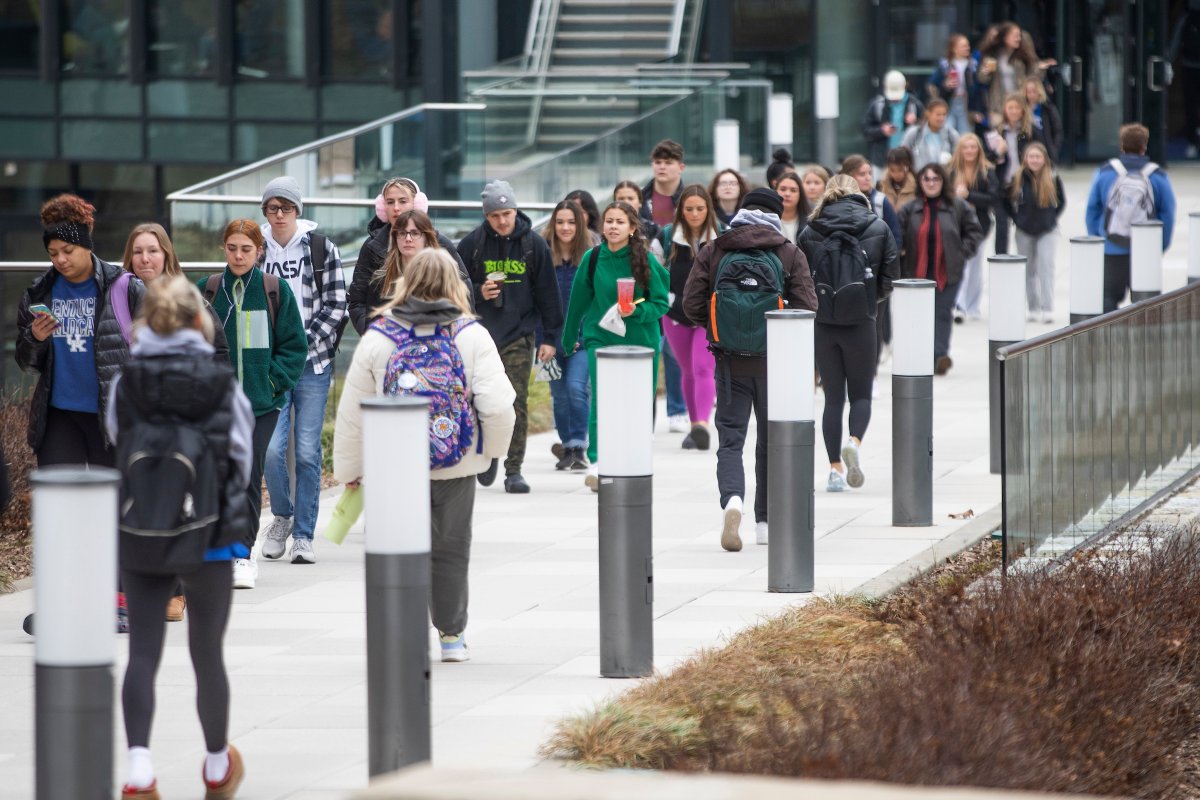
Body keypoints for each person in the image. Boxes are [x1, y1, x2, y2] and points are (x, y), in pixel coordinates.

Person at [109, 275, 252, 800]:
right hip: (208, 528)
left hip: (141, 526)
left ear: (147, 322)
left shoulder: (128, 381)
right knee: (206, 652)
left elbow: (114, 439)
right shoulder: (219, 380)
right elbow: (240, 451)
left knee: (143, 650)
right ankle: (217, 765)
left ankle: (140, 773)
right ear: (199, 320)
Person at [335, 249, 515, 663]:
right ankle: (451, 636)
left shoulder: (380, 336)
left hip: (394, 466)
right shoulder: (471, 335)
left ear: (405, 280)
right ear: (454, 283)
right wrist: (492, 454)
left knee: (399, 546)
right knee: (451, 550)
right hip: (456, 462)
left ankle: (400, 631)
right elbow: (499, 405)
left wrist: (351, 469)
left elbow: (353, 412)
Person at [16, 193, 146, 635]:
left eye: (67, 251)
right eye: (52, 253)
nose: (60, 260)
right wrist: (34, 337)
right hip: (60, 416)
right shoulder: (39, 291)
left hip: (111, 417)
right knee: (59, 512)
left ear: (86, 244)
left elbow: (153, 350)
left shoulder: (124, 287)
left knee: (117, 509)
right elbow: (26, 361)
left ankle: (122, 603)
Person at [681, 188, 818, 551]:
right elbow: (807, 306)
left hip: (728, 364)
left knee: (730, 441)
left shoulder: (715, 249)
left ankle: (733, 501)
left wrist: (717, 329)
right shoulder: (788, 252)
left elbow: (691, 304)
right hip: (775, 364)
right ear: (778, 213)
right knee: (770, 443)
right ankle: (764, 522)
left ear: (742, 211)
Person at [121, 221, 230, 623]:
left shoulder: (189, 298)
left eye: (152, 250)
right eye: (138, 251)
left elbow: (219, 351)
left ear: (167, 254)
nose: (145, 258)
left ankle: (178, 590)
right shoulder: (120, 296)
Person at [200, 219, 307, 590]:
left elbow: (295, 347)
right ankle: (217, 548)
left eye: (247, 248)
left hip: (262, 406)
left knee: (247, 475)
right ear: (223, 249)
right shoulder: (208, 292)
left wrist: (272, 383)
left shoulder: (275, 291)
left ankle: (242, 554)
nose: (239, 255)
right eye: (232, 248)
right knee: (216, 474)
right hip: (217, 404)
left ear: (259, 250)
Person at [255, 176, 347, 567]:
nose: (279, 215)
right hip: (270, 366)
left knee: (307, 451)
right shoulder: (256, 248)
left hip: (311, 363)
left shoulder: (320, 248)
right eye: (272, 208)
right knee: (272, 449)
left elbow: (337, 303)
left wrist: (300, 346)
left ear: (298, 211)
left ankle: (304, 535)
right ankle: (282, 516)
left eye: (286, 208)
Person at [457, 179, 563, 494]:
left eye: (507, 213)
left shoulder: (534, 244)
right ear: (486, 216)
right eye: (495, 215)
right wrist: (478, 291)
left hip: (520, 334)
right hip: (479, 335)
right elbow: (453, 288)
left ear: (516, 210)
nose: (503, 221)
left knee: (515, 402)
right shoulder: (472, 244)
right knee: (476, 401)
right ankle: (487, 453)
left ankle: (513, 469)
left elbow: (548, 294)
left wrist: (550, 338)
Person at [798, 175, 899, 493]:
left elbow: (800, 279)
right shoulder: (878, 226)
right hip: (862, 321)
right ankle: (854, 442)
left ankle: (834, 470)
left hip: (824, 323)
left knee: (832, 400)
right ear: (859, 194)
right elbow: (891, 275)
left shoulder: (810, 229)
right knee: (861, 395)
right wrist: (870, 299)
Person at [560, 201, 670, 491]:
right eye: (609, 221)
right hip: (601, 336)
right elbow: (578, 301)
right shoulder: (592, 258)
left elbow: (660, 302)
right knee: (604, 398)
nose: (612, 226)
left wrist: (637, 310)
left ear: (632, 228)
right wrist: (569, 337)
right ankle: (598, 461)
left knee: (636, 403)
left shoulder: (645, 260)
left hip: (641, 341)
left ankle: (634, 457)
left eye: (620, 222)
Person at [348, 176, 471, 336]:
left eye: (402, 201)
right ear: (382, 207)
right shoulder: (372, 247)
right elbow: (357, 301)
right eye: (390, 202)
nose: (396, 208)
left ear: (418, 204)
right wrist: (373, 334)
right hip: (385, 341)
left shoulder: (441, 245)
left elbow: (464, 295)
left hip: (434, 345)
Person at [897, 164, 984, 376]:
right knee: (918, 317)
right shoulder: (910, 209)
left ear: (943, 181)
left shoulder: (958, 207)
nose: (931, 183)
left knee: (943, 314)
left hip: (948, 272)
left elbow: (974, 232)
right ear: (920, 182)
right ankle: (920, 356)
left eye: (935, 179)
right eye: (926, 179)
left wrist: (962, 252)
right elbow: (896, 237)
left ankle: (939, 356)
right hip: (916, 274)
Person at [613, 179, 685, 428]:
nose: (625, 202)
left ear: (639, 202)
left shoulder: (655, 232)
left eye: (630, 198)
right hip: (616, 319)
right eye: (620, 197)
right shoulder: (606, 240)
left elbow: (660, 279)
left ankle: (666, 415)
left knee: (657, 360)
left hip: (651, 310)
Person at [1084, 123, 1176, 312]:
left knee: (1108, 300)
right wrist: (1160, 244)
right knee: (1147, 305)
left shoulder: (1105, 173)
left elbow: (1092, 210)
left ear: (1121, 146)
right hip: (1146, 249)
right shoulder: (1158, 176)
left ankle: (1108, 341)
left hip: (1112, 247)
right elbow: (1168, 214)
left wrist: (1100, 237)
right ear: (1144, 146)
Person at [659, 185, 722, 451]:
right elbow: (652, 271)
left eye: (700, 208)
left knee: (703, 367)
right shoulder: (666, 237)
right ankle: (695, 424)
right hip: (675, 315)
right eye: (689, 209)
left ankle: (703, 424)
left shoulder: (721, 238)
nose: (695, 214)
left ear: (708, 209)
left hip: (708, 317)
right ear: (680, 211)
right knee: (687, 371)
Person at [541, 200, 595, 470]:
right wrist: (544, 340)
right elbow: (536, 302)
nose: (565, 227)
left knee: (576, 388)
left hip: (582, 340)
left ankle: (579, 446)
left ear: (580, 224)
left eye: (571, 222)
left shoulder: (589, 257)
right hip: (549, 343)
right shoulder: (542, 255)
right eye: (560, 222)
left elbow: (595, 300)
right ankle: (567, 446)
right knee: (559, 395)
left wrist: (579, 333)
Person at [354, 210, 456, 331]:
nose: (408, 238)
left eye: (415, 233)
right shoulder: (380, 279)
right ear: (395, 238)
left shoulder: (443, 276)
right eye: (402, 233)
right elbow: (371, 321)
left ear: (426, 237)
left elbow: (455, 319)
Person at [1007, 141, 1065, 324]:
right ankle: (1033, 307)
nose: (1034, 160)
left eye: (1038, 157)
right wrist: (1016, 218)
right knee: (1028, 270)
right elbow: (1005, 199)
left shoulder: (1053, 177)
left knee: (1046, 267)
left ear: (1044, 159)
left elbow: (1061, 202)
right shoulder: (1017, 178)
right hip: (1024, 230)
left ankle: (1047, 308)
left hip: (1047, 229)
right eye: (1031, 157)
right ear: (1025, 159)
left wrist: (1052, 218)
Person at [947, 133, 1000, 322]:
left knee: (975, 265)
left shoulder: (987, 171)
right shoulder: (950, 171)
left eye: (973, 147)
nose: (969, 151)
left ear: (978, 150)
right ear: (959, 150)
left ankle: (972, 305)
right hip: (955, 225)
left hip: (980, 225)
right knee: (961, 265)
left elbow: (993, 199)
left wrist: (969, 196)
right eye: (965, 147)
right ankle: (959, 303)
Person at [988, 93, 1047, 255]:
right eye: (1010, 108)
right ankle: (1000, 261)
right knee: (1002, 225)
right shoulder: (998, 132)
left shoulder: (1032, 131)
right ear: (1005, 110)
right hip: (1002, 184)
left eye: (1017, 108)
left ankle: (1027, 262)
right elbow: (986, 161)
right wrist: (997, 152)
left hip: (1024, 184)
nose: (1014, 112)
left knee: (1024, 225)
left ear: (1023, 110)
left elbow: (1042, 155)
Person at [977, 22, 1050, 127]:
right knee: (1001, 137)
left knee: (1022, 137)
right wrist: (985, 73)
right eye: (1015, 35)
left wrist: (1041, 69)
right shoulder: (993, 56)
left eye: (1019, 35)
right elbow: (982, 79)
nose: (1018, 38)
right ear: (1005, 37)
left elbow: (1033, 79)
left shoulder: (1022, 58)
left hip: (1019, 105)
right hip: (998, 106)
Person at [862, 70, 925, 170]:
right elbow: (865, 129)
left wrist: (916, 121)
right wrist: (881, 131)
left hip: (909, 161)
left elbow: (927, 129)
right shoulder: (878, 104)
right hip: (882, 161)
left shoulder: (915, 105)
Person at [927, 33, 985, 136]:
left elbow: (979, 87)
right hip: (950, 103)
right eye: (963, 46)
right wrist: (945, 85)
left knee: (965, 134)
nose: (967, 48)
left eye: (968, 45)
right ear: (954, 49)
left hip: (966, 104)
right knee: (947, 132)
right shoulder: (945, 65)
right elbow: (933, 85)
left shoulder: (973, 65)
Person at [901, 98, 960, 171]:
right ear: (928, 114)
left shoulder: (952, 135)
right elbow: (903, 155)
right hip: (918, 177)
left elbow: (958, 159)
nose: (941, 118)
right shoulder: (914, 133)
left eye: (944, 115)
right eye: (938, 115)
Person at [640, 139, 686, 228]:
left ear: (681, 168)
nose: (662, 167)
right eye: (658, 162)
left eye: (668, 163)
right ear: (652, 165)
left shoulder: (691, 200)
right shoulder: (638, 198)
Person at [1023, 77, 1063, 163]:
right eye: (1029, 92)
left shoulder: (1048, 109)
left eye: (1034, 92)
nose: (1032, 95)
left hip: (1046, 149)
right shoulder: (1022, 110)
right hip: (1027, 149)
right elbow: (1020, 134)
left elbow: (1058, 131)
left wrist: (1054, 149)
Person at [878, 147, 918, 217]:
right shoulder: (880, 185)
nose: (896, 174)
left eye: (900, 170)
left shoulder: (917, 185)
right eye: (892, 170)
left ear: (908, 166)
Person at [774, 171, 812, 244]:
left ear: (800, 194)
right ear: (775, 191)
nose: (787, 194)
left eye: (793, 190)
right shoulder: (767, 220)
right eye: (783, 189)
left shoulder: (810, 223)